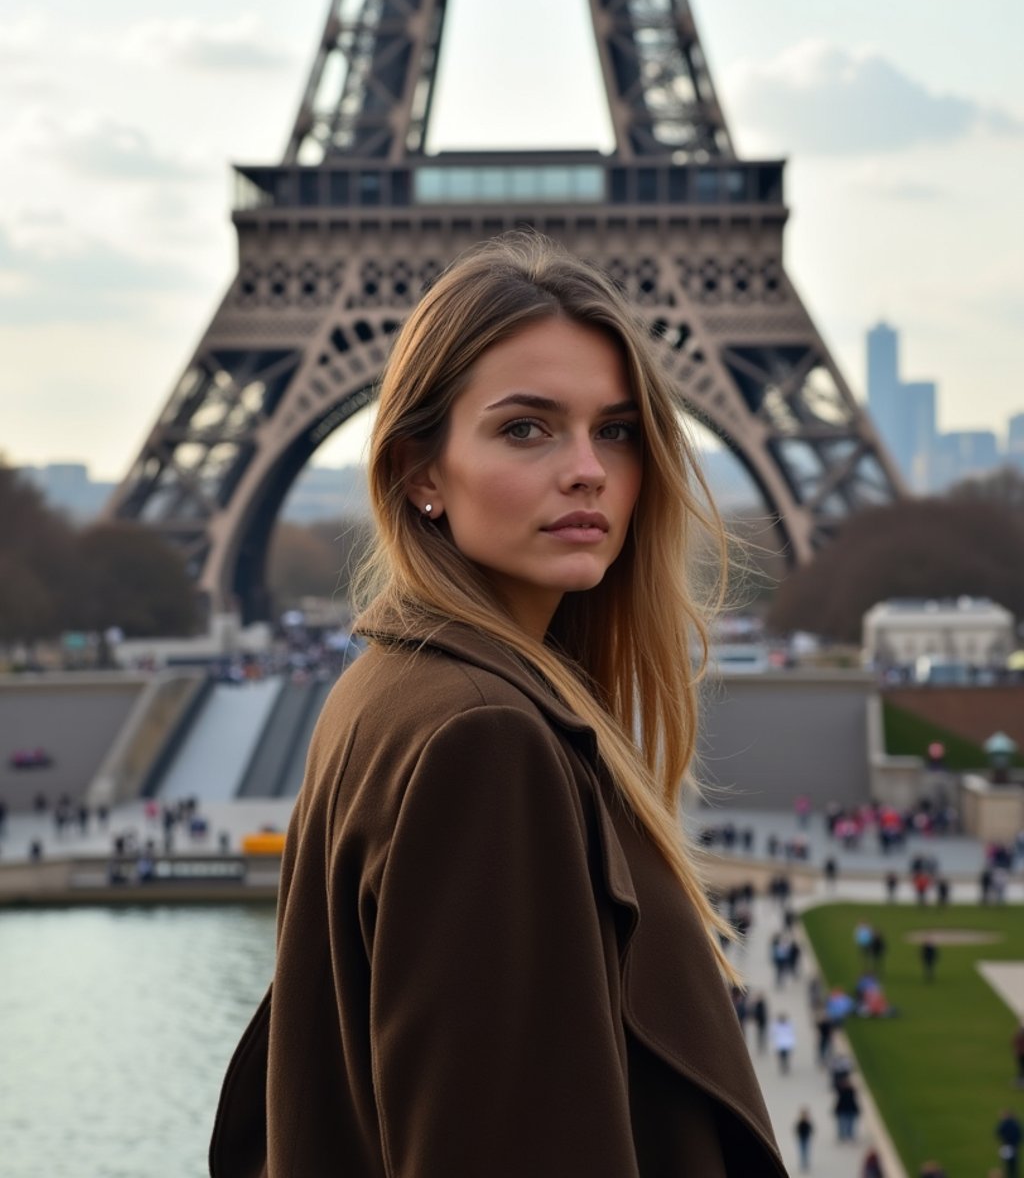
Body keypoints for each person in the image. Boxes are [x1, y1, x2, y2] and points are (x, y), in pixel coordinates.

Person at [209, 235, 786, 1177]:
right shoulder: (486, 739)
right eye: (527, 427)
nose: (589, 469)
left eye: (619, 429)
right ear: (419, 472)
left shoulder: (393, 686)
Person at [997, 1108, 1024, 1178]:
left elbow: (998, 1132)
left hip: (1006, 1145)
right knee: (1014, 1164)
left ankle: (1006, 1175)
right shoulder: (1016, 1124)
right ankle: (1014, 1175)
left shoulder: (1005, 1123)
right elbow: (1020, 1135)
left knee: (1005, 1164)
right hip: (1014, 1146)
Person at [834, 1075, 861, 1141]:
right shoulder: (841, 1091)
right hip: (843, 1109)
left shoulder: (851, 1091)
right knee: (842, 1123)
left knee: (850, 1123)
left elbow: (855, 1095)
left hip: (850, 1109)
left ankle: (849, 1135)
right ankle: (842, 1135)